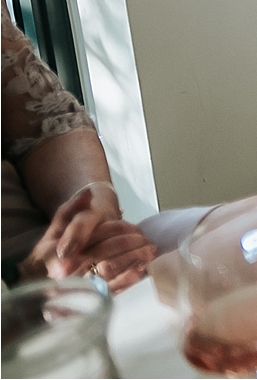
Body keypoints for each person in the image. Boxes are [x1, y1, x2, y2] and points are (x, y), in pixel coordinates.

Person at [4, 16, 154, 289]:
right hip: (21, 301)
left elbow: (45, 119)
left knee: (249, 225)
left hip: (63, 261)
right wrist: (24, 279)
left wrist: (91, 205)